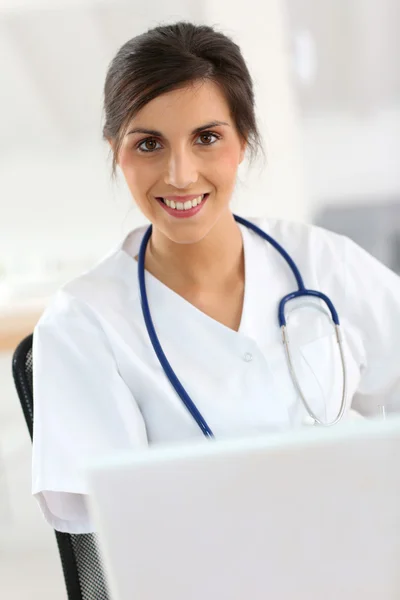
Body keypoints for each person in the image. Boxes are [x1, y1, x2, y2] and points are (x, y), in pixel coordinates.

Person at [32, 21, 400, 534]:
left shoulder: (321, 260)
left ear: (243, 140)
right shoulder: (83, 323)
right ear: (117, 149)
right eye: (148, 144)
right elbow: (113, 523)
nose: (180, 174)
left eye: (206, 138)